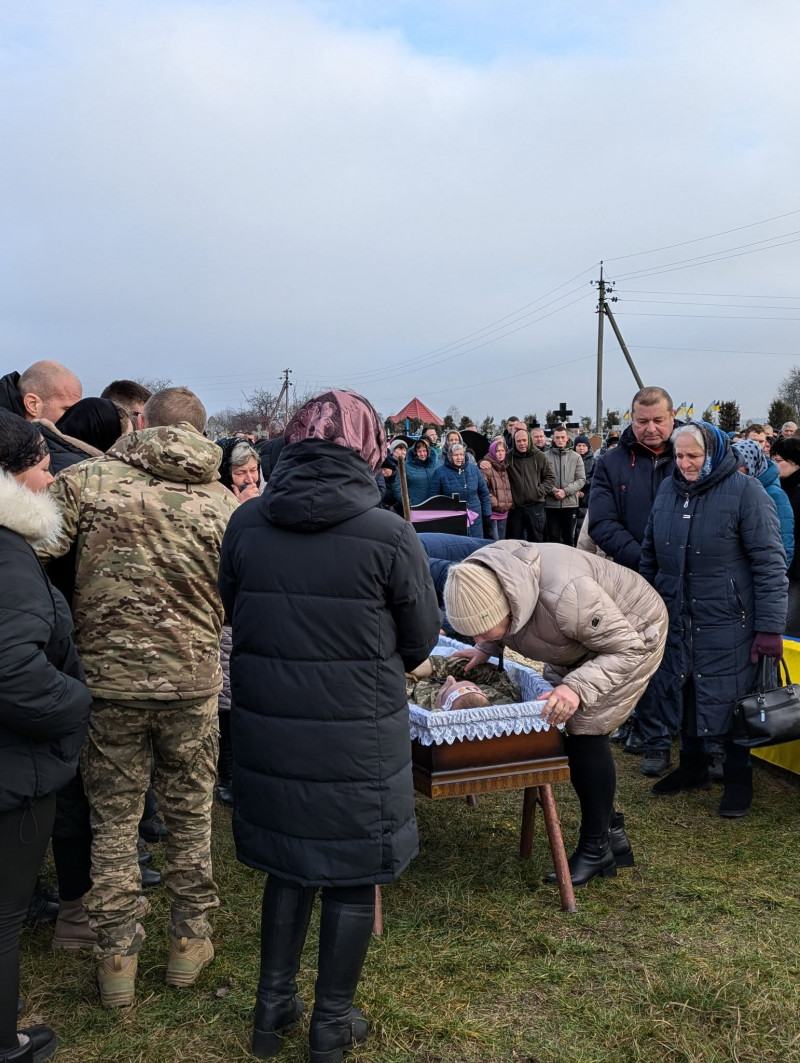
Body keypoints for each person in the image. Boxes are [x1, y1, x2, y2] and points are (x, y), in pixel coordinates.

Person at [219, 389, 440, 1062]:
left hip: (270, 726)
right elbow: (421, 636)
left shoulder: (248, 522)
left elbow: (237, 607)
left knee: (289, 866)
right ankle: (329, 1022)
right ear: (368, 447)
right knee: (348, 871)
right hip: (355, 731)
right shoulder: (388, 532)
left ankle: (272, 1010)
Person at [38, 387, 239, 1007]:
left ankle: (116, 958)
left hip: (107, 682)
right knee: (189, 814)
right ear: (204, 433)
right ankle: (187, 940)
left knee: (115, 822)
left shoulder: (85, 482)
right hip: (192, 682)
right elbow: (237, 593)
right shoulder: (226, 504)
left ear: (141, 423)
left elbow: (40, 559)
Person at [443, 540, 668, 886]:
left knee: (585, 730)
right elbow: (490, 613)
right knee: (564, 725)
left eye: (485, 629)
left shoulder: (566, 596)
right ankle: (612, 834)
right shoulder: (493, 581)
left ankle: (597, 848)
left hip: (634, 634)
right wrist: (485, 646)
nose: (478, 635)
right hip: (579, 639)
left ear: (508, 608)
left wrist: (576, 687)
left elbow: (626, 648)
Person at [0, 410, 92, 1063]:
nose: (49, 472)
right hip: (13, 769)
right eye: (38, 461)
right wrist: (77, 701)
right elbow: (14, 671)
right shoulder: (9, 554)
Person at [640, 422, 787, 818]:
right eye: (680, 455)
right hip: (678, 615)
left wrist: (770, 628)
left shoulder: (746, 493)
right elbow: (651, 553)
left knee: (731, 700)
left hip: (730, 621)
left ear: (715, 453)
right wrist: (646, 606)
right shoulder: (669, 490)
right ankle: (693, 768)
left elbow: (770, 564)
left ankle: (739, 780)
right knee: (684, 690)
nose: (685, 463)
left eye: (694, 456)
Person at [587, 386, 678, 774]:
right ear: (631, 419)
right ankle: (651, 733)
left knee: (682, 655)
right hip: (633, 576)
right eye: (642, 421)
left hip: (685, 572)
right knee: (640, 652)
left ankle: (685, 734)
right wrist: (644, 559)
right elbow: (602, 523)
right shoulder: (612, 462)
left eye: (659, 420)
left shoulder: (689, 455)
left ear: (672, 418)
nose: (651, 428)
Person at [215, 438, 262, 808]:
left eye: (253, 471)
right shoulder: (217, 503)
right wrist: (239, 511)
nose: (249, 478)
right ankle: (227, 776)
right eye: (240, 472)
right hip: (226, 617)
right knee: (227, 704)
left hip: (255, 613)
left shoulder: (266, 498)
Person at [732, 440, 794, 567]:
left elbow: (784, 545)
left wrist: (773, 581)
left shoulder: (775, 495)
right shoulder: (737, 490)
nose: (734, 468)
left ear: (753, 462)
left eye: (740, 463)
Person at [406, 654, 520, 711]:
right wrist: (433, 665)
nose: (450, 678)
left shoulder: (422, 708)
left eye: (446, 688)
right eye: (468, 682)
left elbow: (400, 684)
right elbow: (491, 673)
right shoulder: (502, 702)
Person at [770, 435, 800, 637]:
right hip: (784, 566)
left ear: (795, 462)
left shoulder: (794, 491)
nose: (773, 465)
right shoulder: (780, 488)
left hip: (795, 569)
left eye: (779, 461)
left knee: (790, 622)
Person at [502, 428, 555, 543]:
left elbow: (550, 478)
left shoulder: (540, 456)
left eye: (524, 440)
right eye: (519, 441)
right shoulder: (509, 457)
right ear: (514, 442)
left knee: (536, 541)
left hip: (535, 506)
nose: (522, 444)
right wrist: (483, 462)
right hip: (516, 508)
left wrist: (538, 492)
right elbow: (494, 461)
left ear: (529, 441)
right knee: (515, 542)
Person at [430, 441, 492, 538]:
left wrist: (487, 513)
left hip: (475, 516)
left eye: (461, 454)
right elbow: (434, 497)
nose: (459, 458)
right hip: (452, 519)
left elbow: (484, 493)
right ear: (450, 456)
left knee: (476, 545)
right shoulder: (440, 472)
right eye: (455, 455)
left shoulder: (474, 469)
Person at [544, 425, 585, 545]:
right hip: (551, 504)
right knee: (553, 537)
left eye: (562, 437)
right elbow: (542, 478)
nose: (560, 440)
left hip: (570, 504)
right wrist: (554, 491)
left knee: (569, 538)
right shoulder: (546, 457)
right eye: (557, 437)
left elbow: (581, 479)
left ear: (567, 438)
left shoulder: (576, 457)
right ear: (553, 438)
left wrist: (565, 491)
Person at [480, 438, 512, 539]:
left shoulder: (505, 467)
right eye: (497, 451)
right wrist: (494, 501)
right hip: (493, 512)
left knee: (501, 542)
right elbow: (481, 488)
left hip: (504, 512)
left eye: (502, 451)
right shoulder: (486, 468)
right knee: (494, 542)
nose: (500, 453)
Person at [392, 437, 437, 508]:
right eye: (419, 451)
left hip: (434, 506)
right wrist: (408, 502)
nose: (422, 454)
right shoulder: (405, 466)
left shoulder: (436, 464)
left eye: (424, 450)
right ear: (415, 452)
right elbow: (398, 487)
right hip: (415, 507)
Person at [573, 435, 595, 545]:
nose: (581, 448)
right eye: (579, 445)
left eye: (584, 446)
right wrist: (575, 489)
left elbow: (594, 479)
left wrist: (581, 485)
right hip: (571, 495)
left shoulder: (594, 461)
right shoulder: (571, 459)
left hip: (586, 496)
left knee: (582, 527)